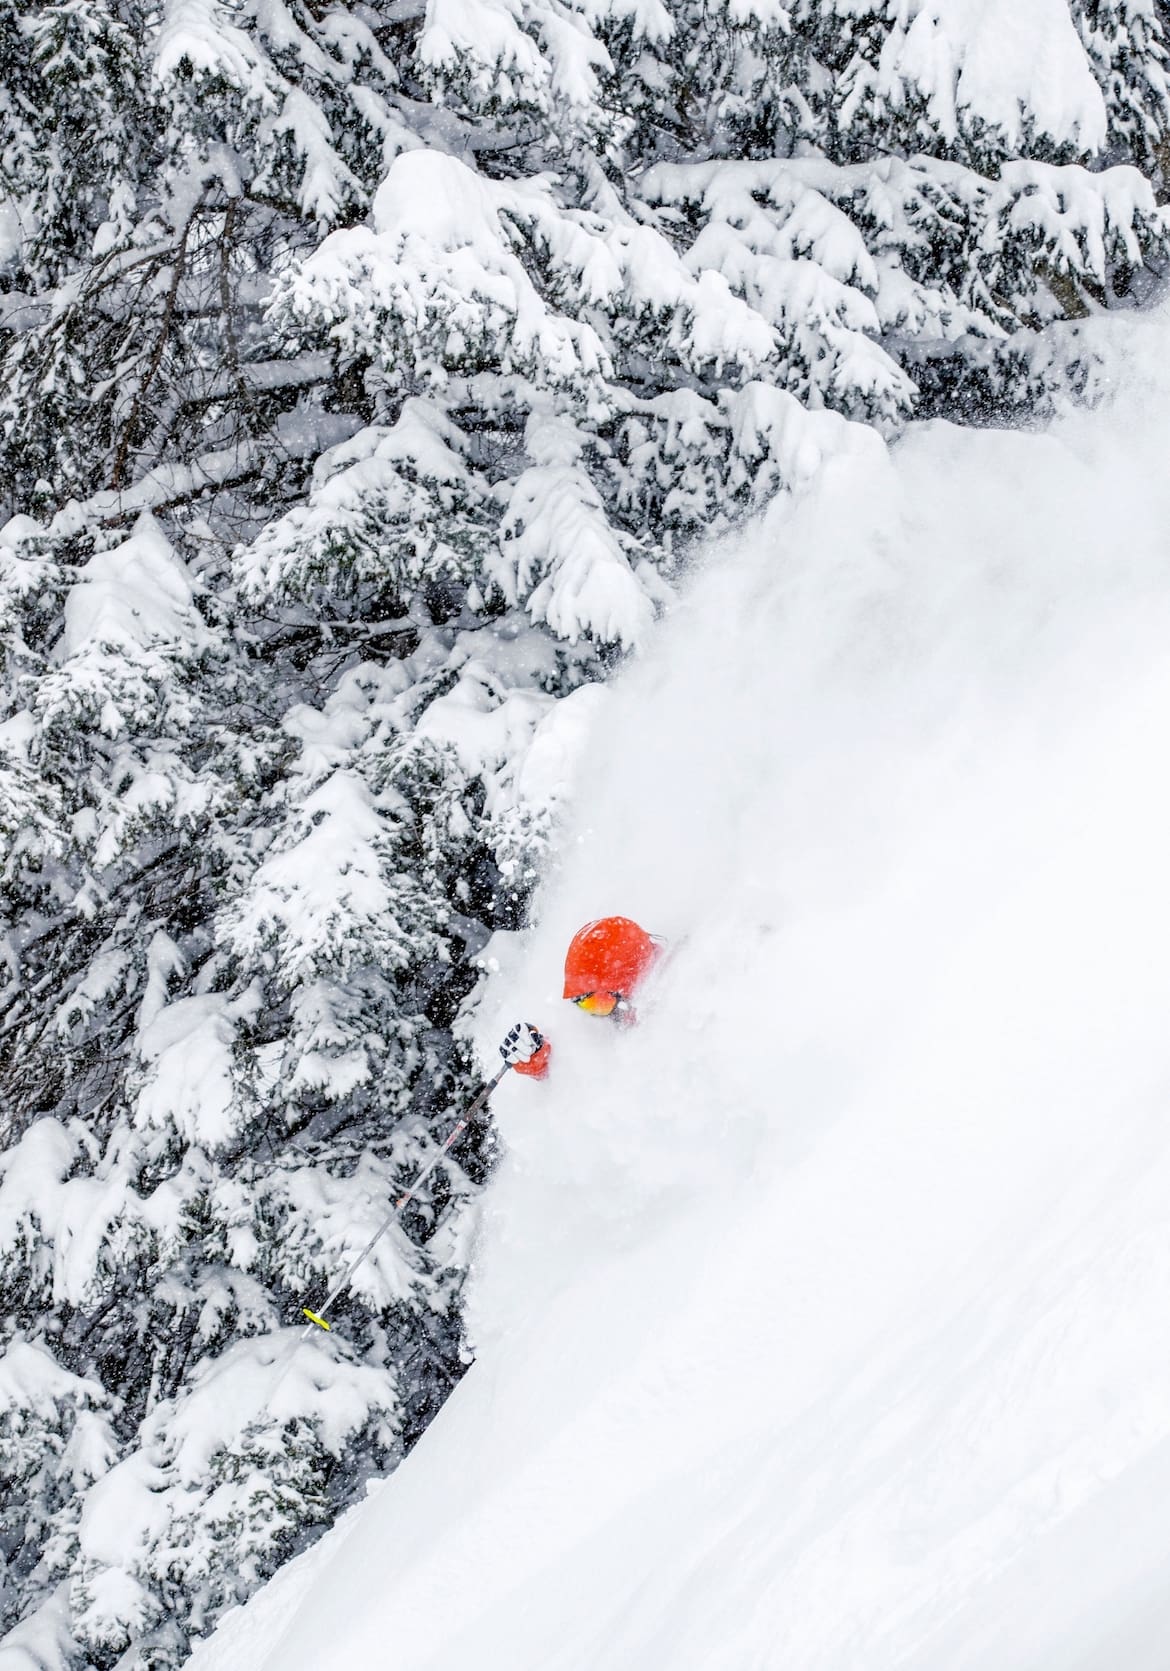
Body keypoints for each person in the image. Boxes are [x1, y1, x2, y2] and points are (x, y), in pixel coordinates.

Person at [499, 916, 661, 1082]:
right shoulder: (610, 1019)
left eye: (601, 1003)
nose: (596, 1014)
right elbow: (569, 1063)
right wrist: (534, 1058)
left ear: (632, 984)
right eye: (586, 1003)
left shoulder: (671, 1009)